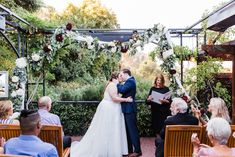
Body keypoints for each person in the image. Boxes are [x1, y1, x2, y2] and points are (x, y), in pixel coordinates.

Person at [71, 72, 132, 157]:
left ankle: (113, 150)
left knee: (113, 130)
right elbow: (114, 98)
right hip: (109, 109)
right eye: (120, 76)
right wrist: (126, 99)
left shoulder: (115, 85)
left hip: (113, 109)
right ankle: (104, 150)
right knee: (105, 129)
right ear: (116, 77)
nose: (122, 77)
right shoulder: (112, 85)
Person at [117, 69, 142, 157]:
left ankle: (138, 151)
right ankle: (129, 149)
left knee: (132, 130)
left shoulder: (130, 81)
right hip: (127, 109)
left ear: (125, 74)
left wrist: (116, 82)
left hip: (129, 109)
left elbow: (122, 90)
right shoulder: (130, 81)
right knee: (128, 131)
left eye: (121, 75)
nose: (120, 77)